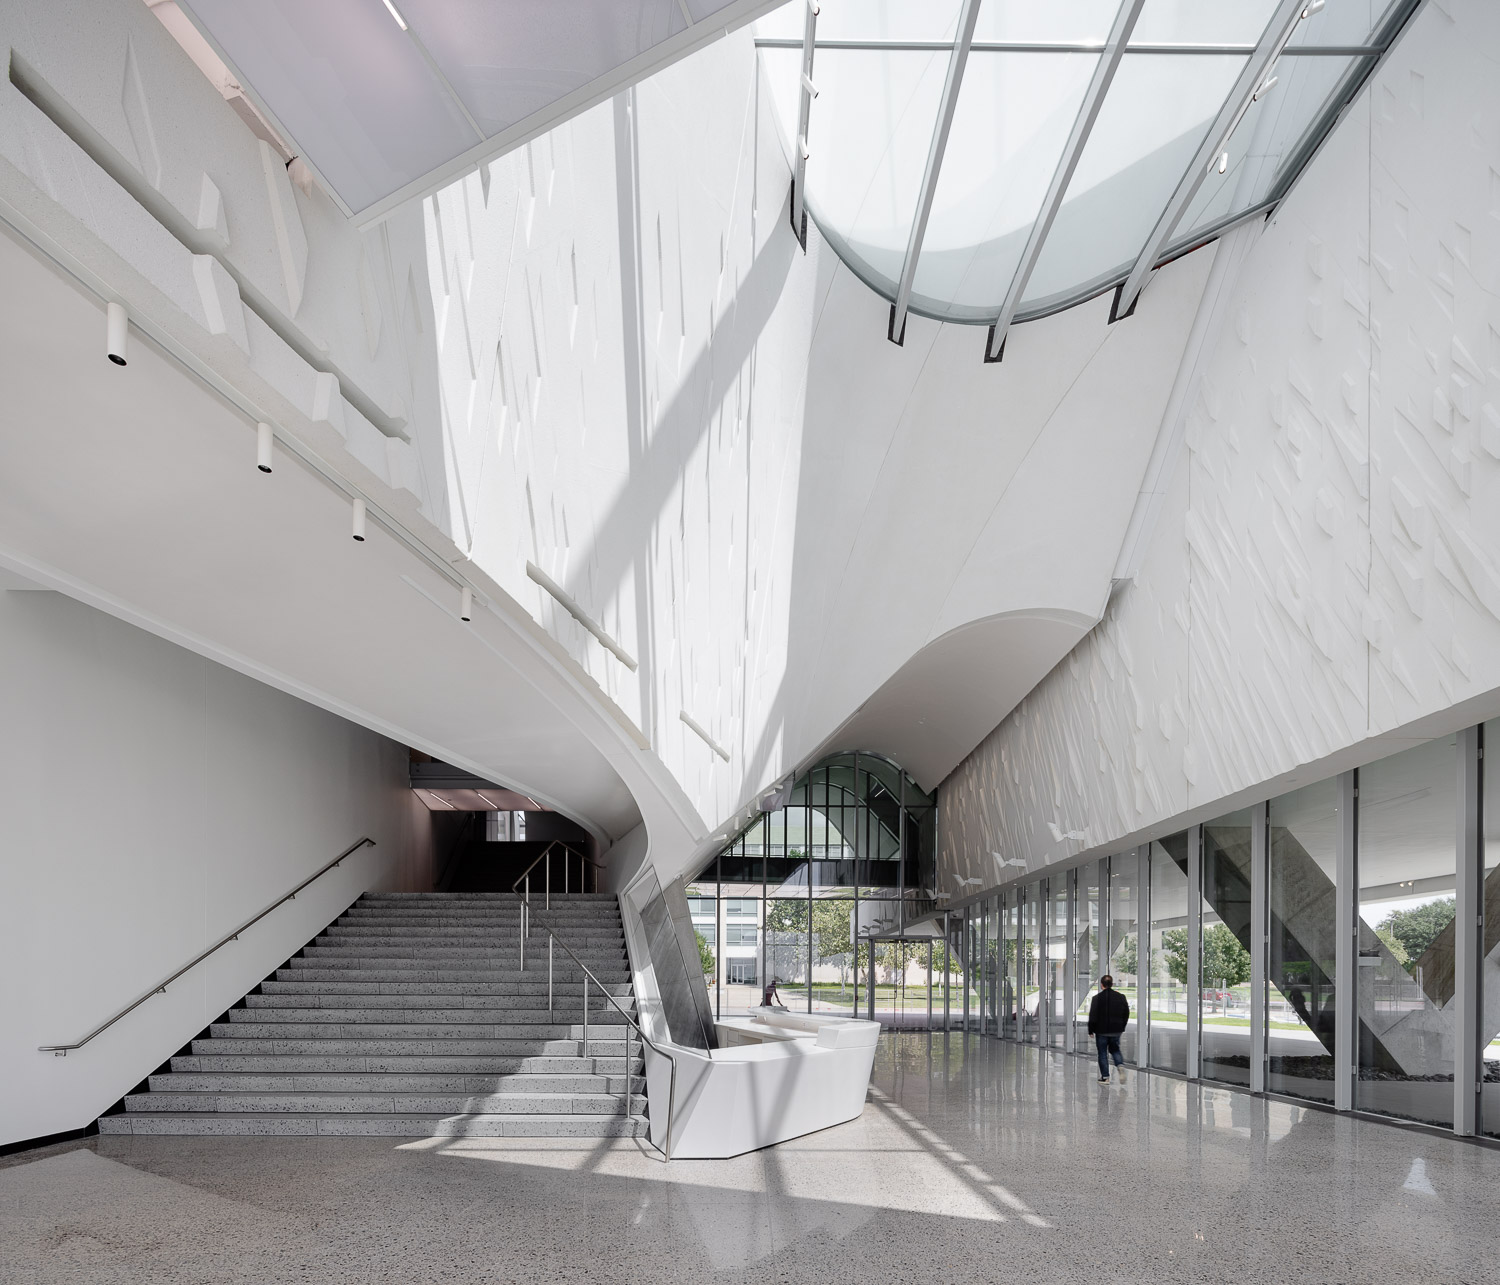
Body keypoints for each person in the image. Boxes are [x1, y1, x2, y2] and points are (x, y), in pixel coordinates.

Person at [1087, 974, 1130, 1084]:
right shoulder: (1121, 997)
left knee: (1102, 1053)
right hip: (1116, 1030)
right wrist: (1122, 1026)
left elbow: (1093, 1015)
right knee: (1115, 1049)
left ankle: (1105, 1077)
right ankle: (1120, 1065)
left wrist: (1090, 1030)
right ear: (1112, 984)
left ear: (1102, 985)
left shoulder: (1096, 999)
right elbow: (1126, 1013)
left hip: (1101, 1031)